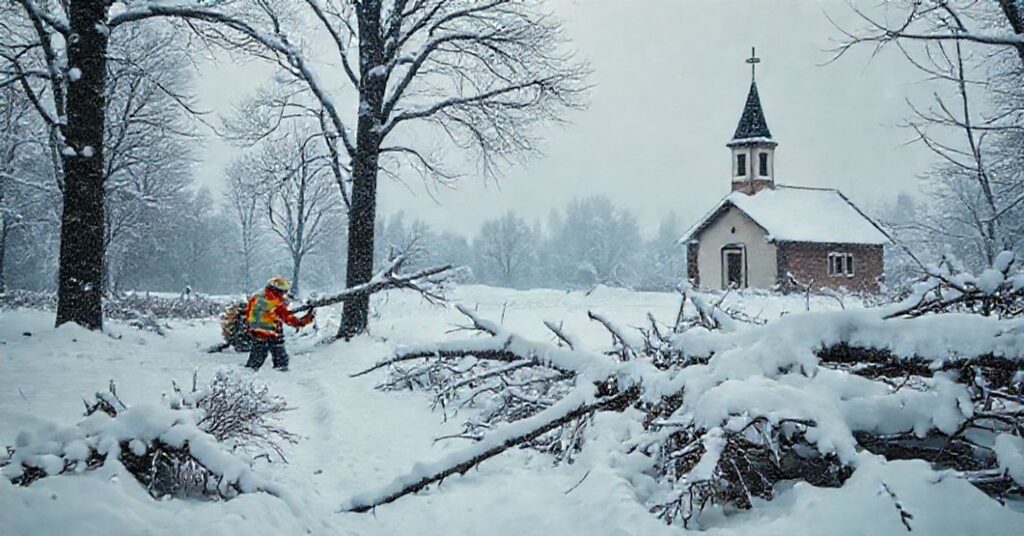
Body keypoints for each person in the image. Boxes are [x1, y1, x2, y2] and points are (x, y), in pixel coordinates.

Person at [244, 276, 315, 372]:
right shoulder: (276, 303)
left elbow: (249, 315)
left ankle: (246, 376)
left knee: (255, 361)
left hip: (257, 334)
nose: (284, 294)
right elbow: (289, 319)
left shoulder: (256, 298)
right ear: (277, 290)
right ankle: (281, 378)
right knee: (281, 361)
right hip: (273, 334)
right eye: (283, 291)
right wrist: (306, 320)